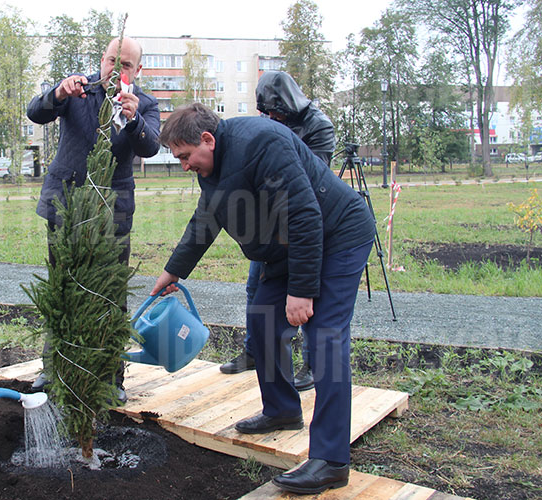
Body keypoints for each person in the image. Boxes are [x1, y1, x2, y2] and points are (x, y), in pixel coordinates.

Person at [150, 103, 374, 494]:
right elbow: (208, 216)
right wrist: (173, 271)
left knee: (325, 338)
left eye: (185, 156)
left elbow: (304, 214)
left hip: (337, 234)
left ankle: (331, 461)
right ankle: (283, 410)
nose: (184, 166)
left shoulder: (262, 142)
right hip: (287, 246)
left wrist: (302, 291)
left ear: (207, 139)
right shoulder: (212, 165)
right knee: (263, 322)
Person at [26, 37, 161, 402]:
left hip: (112, 212)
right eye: (112, 61)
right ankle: (53, 368)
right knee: (62, 287)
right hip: (65, 204)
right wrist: (57, 94)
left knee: (112, 294)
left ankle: (110, 377)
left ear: (138, 70)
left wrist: (133, 121)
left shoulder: (145, 104)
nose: (116, 70)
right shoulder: (77, 90)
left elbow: (151, 146)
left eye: (127, 64)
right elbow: (35, 113)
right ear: (101, 60)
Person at [220, 71, 335, 394]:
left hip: (304, 222)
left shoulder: (318, 126)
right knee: (254, 288)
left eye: (276, 113)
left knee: (308, 291)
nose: (271, 119)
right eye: (266, 114)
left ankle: (312, 364)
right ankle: (254, 351)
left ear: (289, 103)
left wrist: (277, 143)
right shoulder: (271, 121)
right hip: (270, 225)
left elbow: (312, 177)